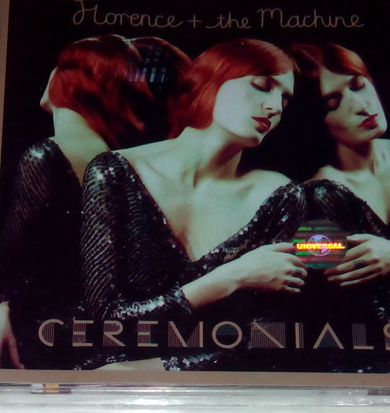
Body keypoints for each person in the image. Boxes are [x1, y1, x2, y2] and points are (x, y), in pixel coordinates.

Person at [80, 38, 307, 371]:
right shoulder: (114, 172)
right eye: (262, 86)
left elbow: (269, 338)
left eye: (284, 100)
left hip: (219, 387)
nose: (275, 107)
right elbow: (105, 320)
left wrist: (158, 371)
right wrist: (231, 277)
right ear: (212, 79)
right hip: (106, 384)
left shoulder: (279, 196)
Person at [0, 34, 191, 369]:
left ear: (73, 80)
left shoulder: (47, 155)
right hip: (99, 341)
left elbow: (14, 262)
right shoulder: (123, 165)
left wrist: (0, 307)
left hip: (38, 339)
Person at [286, 42, 390, 373]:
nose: (361, 105)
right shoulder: (316, 197)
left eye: (359, 85)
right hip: (371, 371)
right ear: (316, 119)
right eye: (334, 103)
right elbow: (361, 332)